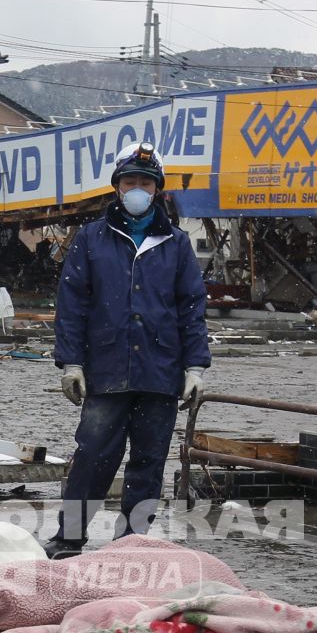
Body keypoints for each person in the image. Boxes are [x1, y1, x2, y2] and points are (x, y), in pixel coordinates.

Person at [46, 143, 209, 558]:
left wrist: (194, 366)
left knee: (149, 461)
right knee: (94, 455)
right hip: (106, 368)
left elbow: (192, 307)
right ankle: (69, 538)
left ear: (157, 191)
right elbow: (72, 305)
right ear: (117, 188)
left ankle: (131, 542)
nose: (137, 189)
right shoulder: (91, 239)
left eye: (145, 183)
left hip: (161, 370)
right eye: (130, 182)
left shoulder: (175, 243)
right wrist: (72, 362)